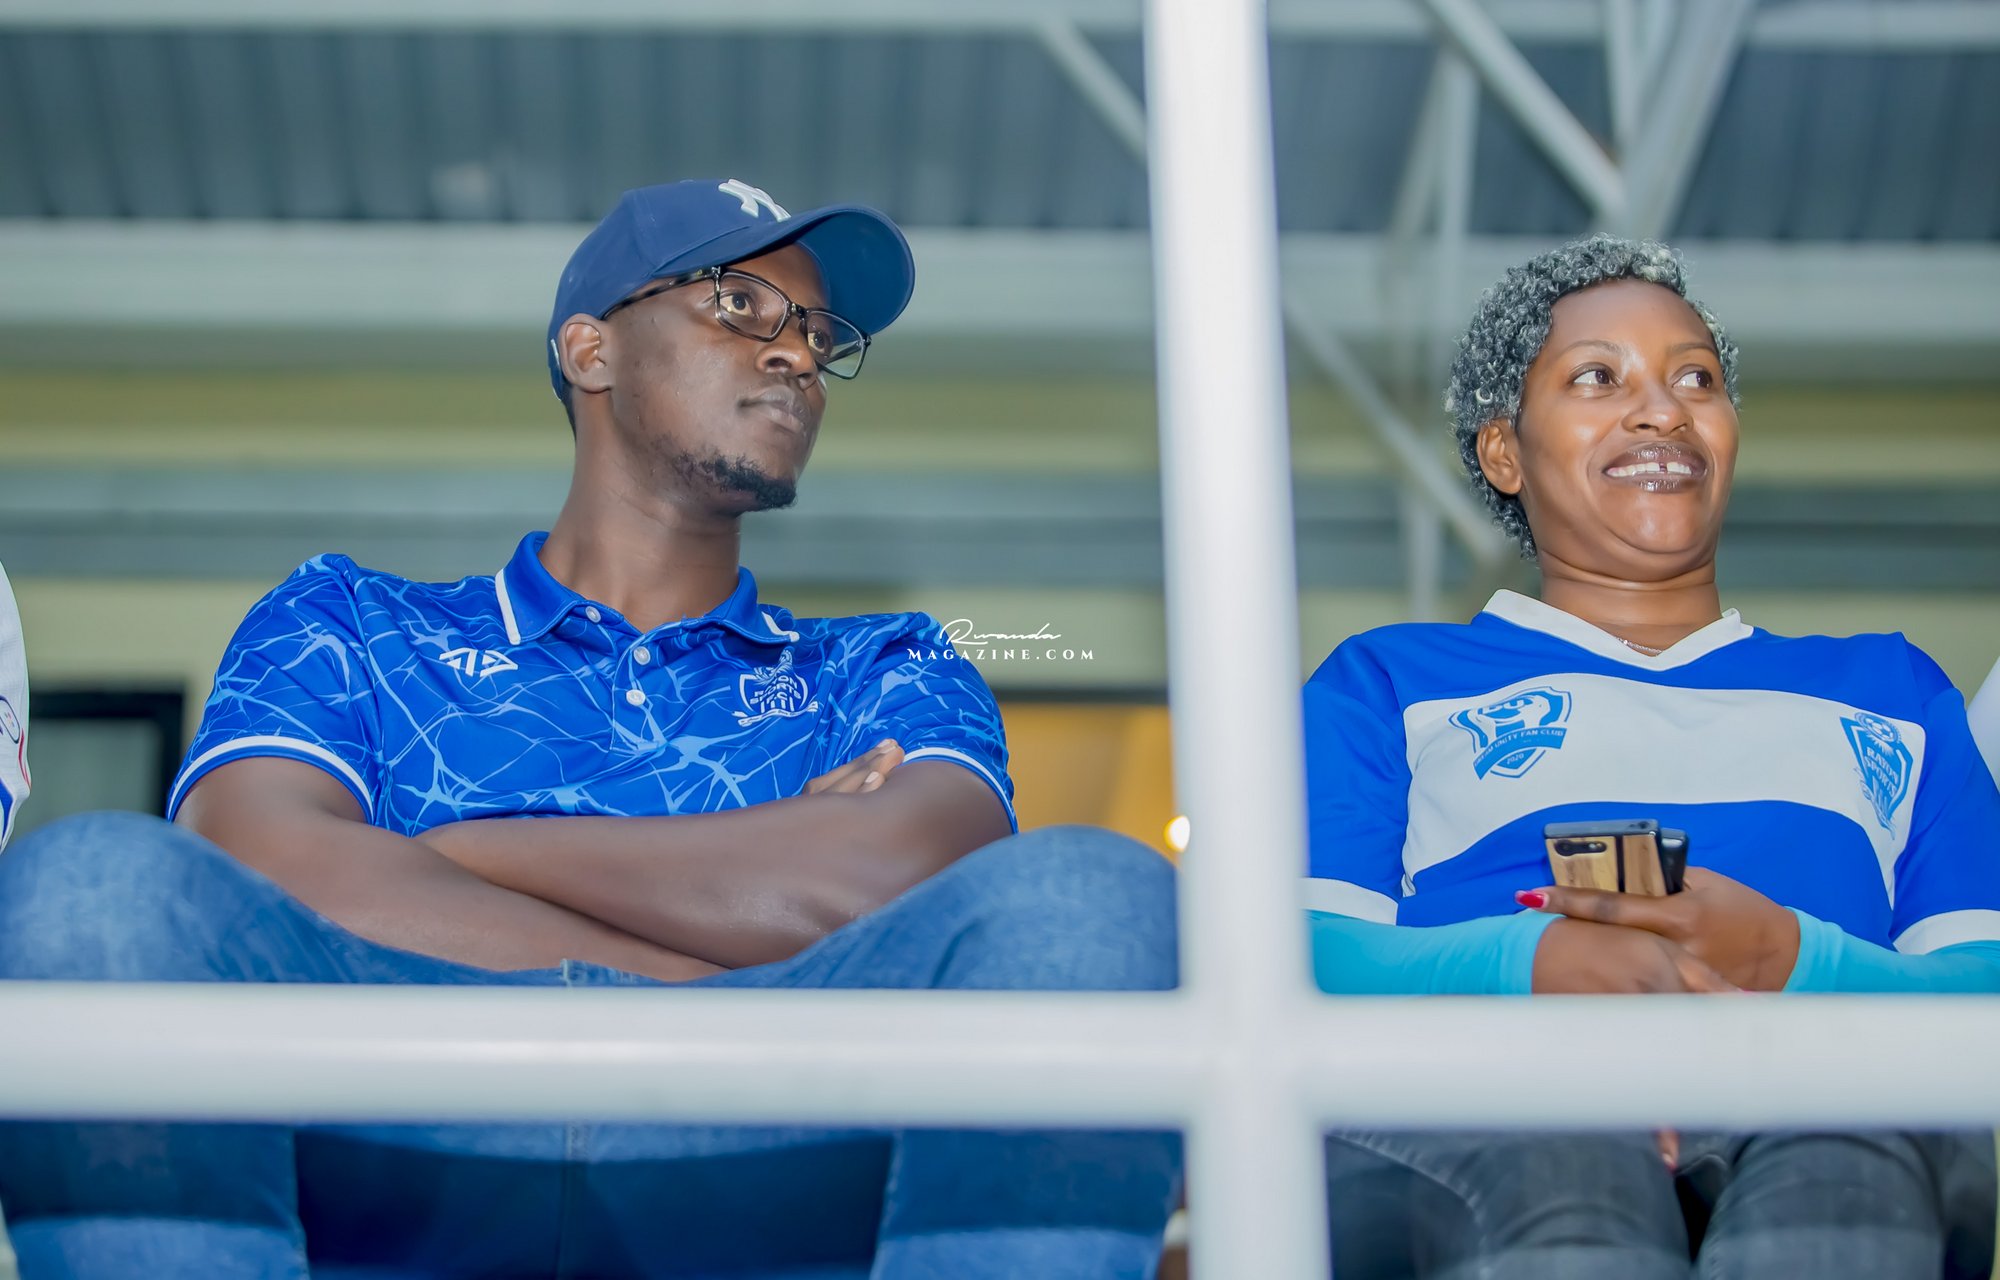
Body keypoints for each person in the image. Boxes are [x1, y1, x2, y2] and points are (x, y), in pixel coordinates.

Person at [0, 179, 1180, 1280]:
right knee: (95, 882)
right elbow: (254, 869)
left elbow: (917, 883)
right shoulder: (349, 618)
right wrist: (715, 973)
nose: (795, 353)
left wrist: (458, 849)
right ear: (589, 349)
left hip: (772, 1140)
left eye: (820, 335)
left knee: (1091, 893)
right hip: (401, 1116)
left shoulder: (883, 663)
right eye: (738, 304)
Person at [1302, 235, 2000, 1279]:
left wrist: (1789, 959)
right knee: (1568, 1160)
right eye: (1598, 377)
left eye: (1695, 379)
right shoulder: (1388, 681)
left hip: (1828, 1093)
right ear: (1503, 453)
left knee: (1843, 1153)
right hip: (1494, 1101)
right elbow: (1296, 955)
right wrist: (1531, 964)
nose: (1661, 411)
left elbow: (1982, 989)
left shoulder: (1893, 692)